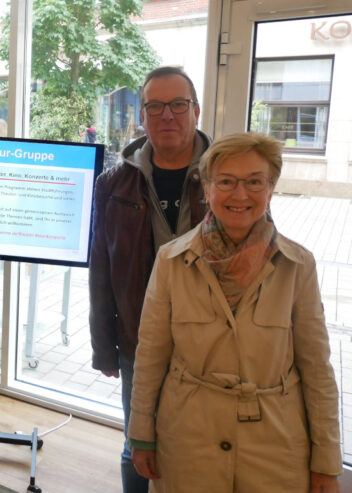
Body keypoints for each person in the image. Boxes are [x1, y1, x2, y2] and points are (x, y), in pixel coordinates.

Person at [129, 132, 341, 492]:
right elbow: (150, 356)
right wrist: (141, 435)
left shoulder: (297, 265)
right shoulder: (171, 261)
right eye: (226, 181)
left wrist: (327, 460)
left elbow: (317, 369)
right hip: (187, 439)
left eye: (254, 182)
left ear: (271, 188)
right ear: (207, 190)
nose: (240, 195)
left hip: (274, 445)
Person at [89, 66, 211, 493]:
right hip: (139, 341)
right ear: (142, 115)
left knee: (201, 449)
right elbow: (101, 270)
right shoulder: (114, 183)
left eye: (178, 104)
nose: (167, 115)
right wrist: (104, 346)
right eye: (155, 106)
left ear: (196, 110)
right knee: (137, 445)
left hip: (210, 348)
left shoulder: (225, 178)